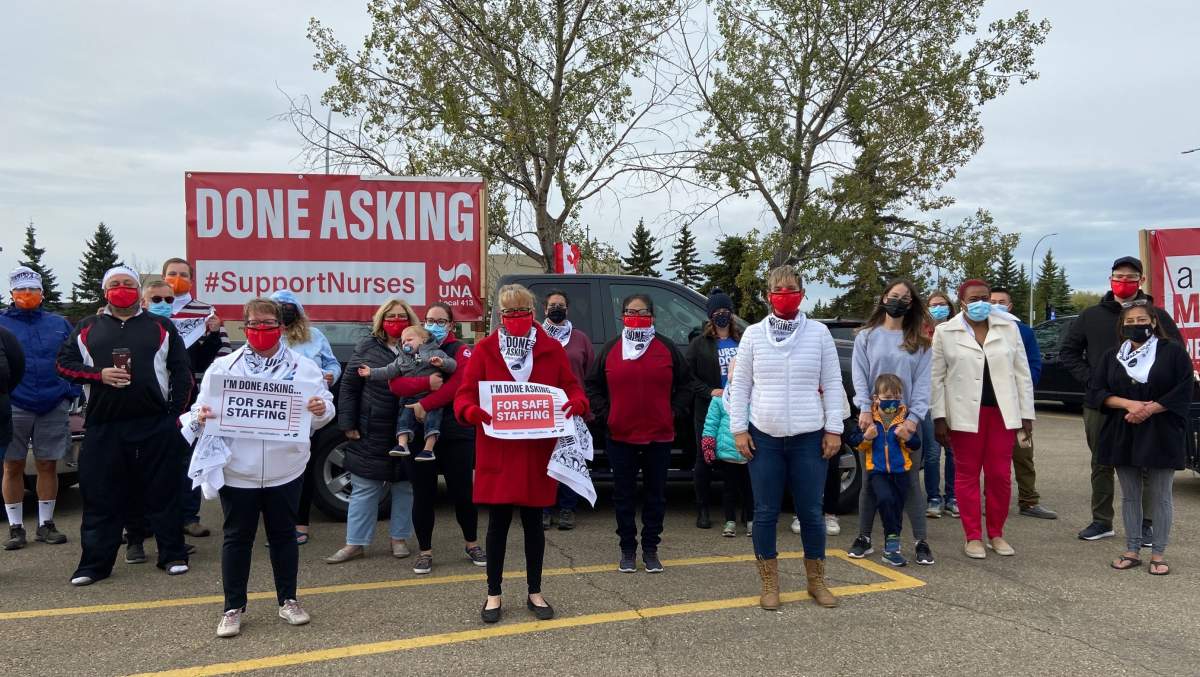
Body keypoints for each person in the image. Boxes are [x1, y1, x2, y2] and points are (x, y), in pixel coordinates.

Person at [192, 298, 335, 638]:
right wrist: (201, 416)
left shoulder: (304, 368)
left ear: (281, 328)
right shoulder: (223, 367)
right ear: (245, 327)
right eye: (255, 325)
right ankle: (233, 607)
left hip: (285, 468)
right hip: (238, 470)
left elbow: (325, 409)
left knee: (284, 536)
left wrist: (320, 409)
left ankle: (288, 600)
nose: (261, 331)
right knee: (237, 538)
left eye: (269, 324)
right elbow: (202, 406)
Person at [454, 283, 589, 623]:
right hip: (498, 452)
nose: (515, 318)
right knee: (497, 526)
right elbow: (464, 395)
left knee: (533, 525)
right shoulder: (485, 350)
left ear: (533, 313)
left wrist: (578, 401)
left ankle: (534, 591)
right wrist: (470, 412)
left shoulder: (551, 349)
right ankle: (493, 593)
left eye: (521, 312)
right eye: (508, 312)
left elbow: (571, 386)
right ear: (500, 315)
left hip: (536, 453)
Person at [57, 266, 192, 585]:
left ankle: (172, 554)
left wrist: (174, 416)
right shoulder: (87, 327)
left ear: (138, 290)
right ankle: (94, 564)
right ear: (105, 291)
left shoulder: (161, 326)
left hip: (154, 424)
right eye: (115, 284)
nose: (122, 289)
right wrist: (98, 375)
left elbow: (182, 373)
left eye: (128, 284)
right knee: (100, 496)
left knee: (164, 493)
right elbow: (63, 365)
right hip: (104, 426)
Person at [727, 265, 843, 610]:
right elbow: (741, 385)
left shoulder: (819, 334)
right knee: (764, 512)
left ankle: (816, 581)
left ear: (802, 293)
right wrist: (739, 429)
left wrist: (834, 428)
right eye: (778, 288)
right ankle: (769, 582)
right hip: (765, 437)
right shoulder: (753, 336)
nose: (784, 293)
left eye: (791, 288)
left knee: (810, 511)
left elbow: (833, 383)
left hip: (809, 436)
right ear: (768, 295)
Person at [1060, 256, 1182, 542]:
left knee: (1146, 463)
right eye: (1119, 276)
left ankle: (1146, 523)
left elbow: (1174, 353)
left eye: (1131, 277)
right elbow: (1069, 352)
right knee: (1101, 462)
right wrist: (1094, 381)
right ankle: (1102, 521)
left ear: (1141, 280)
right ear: (1110, 278)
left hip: (1146, 407)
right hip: (1102, 404)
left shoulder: (1157, 315)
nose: (1124, 281)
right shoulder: (1091, 315)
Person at [586, 293, 694, 575]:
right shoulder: (611, 349)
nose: (635, 316)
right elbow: (592, 386)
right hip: (620, 436)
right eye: (630, 312)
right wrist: (606, 415)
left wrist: (674, 412)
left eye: (641, 311)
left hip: (659, 436)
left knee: (655, 495)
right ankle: (627, 549)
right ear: (622, 316)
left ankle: (650, 549)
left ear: (652, 317)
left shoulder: (666, 348)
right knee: (623, 496)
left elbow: (686, 385)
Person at [931, 279, 1035, 560]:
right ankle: (973, 536)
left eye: (985, 297)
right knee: (966, 475)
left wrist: (1026, 414)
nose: (981, 302)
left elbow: (1022, 374)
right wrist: (939, 417)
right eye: (974, 297)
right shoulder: (945, 331)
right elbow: (936, 378)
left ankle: (997, 533)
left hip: (1002, 414)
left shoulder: (1008, 328)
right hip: (965, 416)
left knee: (1000, 476)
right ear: (961, 300)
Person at [1087, 300, 1192, 576]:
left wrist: (1149, 409)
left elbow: (1184, 388)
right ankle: (1132, 549)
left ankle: (1158, 553)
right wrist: (1127, 404)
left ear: (1154, 322)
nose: (1136, 326)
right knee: (1130, 495)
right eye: (1129, 322)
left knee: (1161, 495)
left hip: (1161, 430)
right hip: (1123, 429)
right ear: (1122, 326)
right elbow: (1096, 392)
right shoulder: (1112, 356)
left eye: (1141, 320)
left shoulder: (1172, 352)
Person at [389, 301, 484, 575]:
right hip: (419, 434)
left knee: (463, 493)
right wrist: (424, 385)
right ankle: (425, 551)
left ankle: (472, 543)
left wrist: (424, 404)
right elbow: (395, 383)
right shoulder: (412, 347)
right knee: (423, 494)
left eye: (440, 321)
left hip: (456, 432)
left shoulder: (461, 350)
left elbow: (458, 385)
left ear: (451, 325)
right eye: (429, 320)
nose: (434, 325)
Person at [326, 300, 422, 565]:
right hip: (372, 427)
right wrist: (347, 421)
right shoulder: (367, 346)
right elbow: (349, 385)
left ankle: (399, 538)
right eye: (391, 316)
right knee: (364, 487)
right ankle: (355, 543)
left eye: (402, 316)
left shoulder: (419, 345)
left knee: (404, 486)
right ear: (381, 319)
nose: (396, 320)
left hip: (408, 427)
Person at [847, 279, 935, 566]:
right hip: (872, 421)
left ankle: (921, 541)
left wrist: (912, 420)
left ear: (912, 304)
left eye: (905, 297)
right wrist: (863, 409)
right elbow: (859, 376)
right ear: (884, 297)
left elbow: (922, 385)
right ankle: (864, 537)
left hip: (905, 423)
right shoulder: (867, 336)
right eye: (894, 295)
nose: (899, 300)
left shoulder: (919, 343)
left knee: (910, 483)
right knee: (871, 481)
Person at [1, 266, 76, 550]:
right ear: (11, 293)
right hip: (14, 404)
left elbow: (73, 359)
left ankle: (46, 524)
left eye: (32, 289)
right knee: (12, 465)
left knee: (48, 464)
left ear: (42, 293)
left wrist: (70, 393)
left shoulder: (58, 323)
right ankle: (16, 527)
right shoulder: (2, 323)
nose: (27, 295)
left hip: (52, 402)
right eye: (21, 290)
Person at [162, 257, 231, 538]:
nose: (176, 278)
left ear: (191, 280)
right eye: (171, 274)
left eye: (182, 274)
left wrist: (212, 334)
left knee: (189, 457)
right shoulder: (153, 309)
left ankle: (189, 517)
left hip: (191, 395)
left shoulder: (206, 311)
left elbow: (223, 354)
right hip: (154, 395)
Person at [269, 289, 341, 543]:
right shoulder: (268, 336)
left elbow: (333, 364)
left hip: (308, 414)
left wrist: (332, 375)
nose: (285, 310)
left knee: (305, 470)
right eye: (278, 306)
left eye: (289, 306)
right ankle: (278, 526)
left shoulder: (315, 336)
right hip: (275, 415)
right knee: (276, 472)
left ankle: (300, 525)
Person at [989, 287, 1056, 520]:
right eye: (992, 301)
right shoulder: (979, 330)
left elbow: (1033, 365)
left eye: (1001, 302)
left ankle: (1028, 500)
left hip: (1016, 405)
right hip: (989, 406)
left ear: (1010, 306)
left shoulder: (1024, 332)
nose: (996, 305)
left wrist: (1021, 390)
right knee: (993, 458)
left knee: (1023, 452)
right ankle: (992, 502)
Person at [848, 374, 921, 567]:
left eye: (896, 397)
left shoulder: (904, 418)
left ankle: (892, 548)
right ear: (876, 398)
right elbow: (855, 442)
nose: (892, 402)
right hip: (877, 471)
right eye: (887, 398)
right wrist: (867, 437)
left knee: (896, 507)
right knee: (885, 499)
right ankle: (875, 540)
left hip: (900, 472)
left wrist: (907, 437)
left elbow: (916, 445)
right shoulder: (869, 419)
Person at [685, 288, 741, 531]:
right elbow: (688, 376)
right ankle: (703, 509)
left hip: (739, 409)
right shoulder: (699, 344)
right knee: (704, 458)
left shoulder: (743, 340)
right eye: (717, 311)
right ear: (710, 315)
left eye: (725, 310)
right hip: (708, 409)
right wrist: (709, 391)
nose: (722, 314)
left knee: (740, 459)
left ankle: (741, 511)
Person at [358, 325, 456, 461]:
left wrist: (442, 363)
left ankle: (428, 449)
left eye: (409, 339)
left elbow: (453, 365)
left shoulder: (435, 352)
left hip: (431, 397)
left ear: (423, 339)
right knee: (404, 419)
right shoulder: (401, 359)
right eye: (403, 342)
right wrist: (371, 372)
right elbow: (388, 371)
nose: (406, 343)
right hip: (410, 398)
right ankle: (402, 445)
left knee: (433, 421)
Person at [539, 289, 594, 531]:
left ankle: (567, 509)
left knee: (571, 457)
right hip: (542, 409)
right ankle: (543, 508)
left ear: (567, 309)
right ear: (544, 309)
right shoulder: (536, 336)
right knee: (544, 460)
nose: (556, 309)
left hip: (572, 409)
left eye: (561, 305)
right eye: (552, 305)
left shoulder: (580, 338)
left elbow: (590, 373)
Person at [700, 357, 752, 538]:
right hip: (728, 453)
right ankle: (730, 521)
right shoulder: (720, 400)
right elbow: (711, 423)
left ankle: (751, 520)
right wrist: (708, 443)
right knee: (729, 489)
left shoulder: (755, 397)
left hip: (749, 453)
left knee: (750, 489)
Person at [923, 290, 957, 519]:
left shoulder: (959, 330)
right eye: (934, 305)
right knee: (933, 454)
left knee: (954, 452)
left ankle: (953, 497)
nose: (938, 308)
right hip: (927, 401)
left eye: (942, 304)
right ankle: (933, 498)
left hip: (954, 399)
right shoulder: (921, 333)